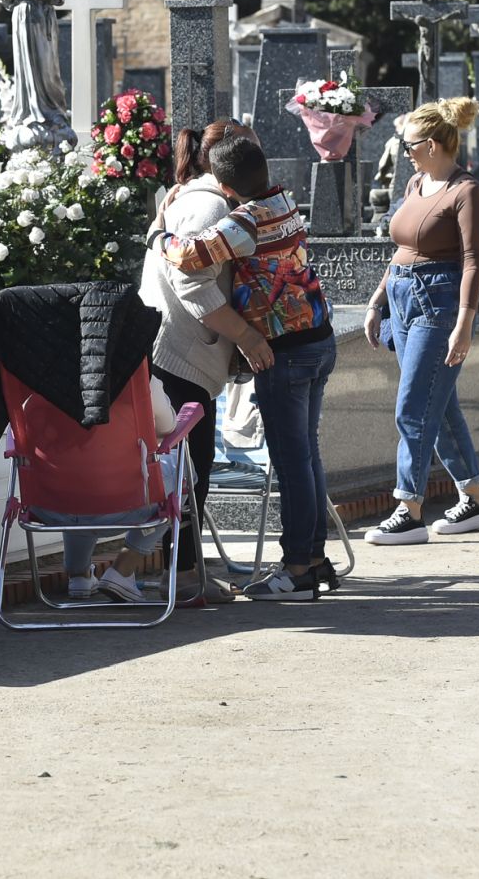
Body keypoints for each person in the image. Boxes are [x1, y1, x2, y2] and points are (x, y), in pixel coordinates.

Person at [151, 137, 336, 602]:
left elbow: (187, 257)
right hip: (319, 338)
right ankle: (315, 558)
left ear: (227, 188)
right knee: (307, 456)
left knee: (291, 464)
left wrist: (158, 230)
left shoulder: (244, 222)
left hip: (283, 352)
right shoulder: (285, 202)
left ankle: (296, 569)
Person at [362, 97, 479, 546]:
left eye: (411, 144)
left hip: (438, 304)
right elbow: (402, 249)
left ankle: (409, 508)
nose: (405, 152)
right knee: (439, 404)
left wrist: (464, 324)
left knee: (414, 407)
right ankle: (475, 501)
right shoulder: (417, 183)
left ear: (435, 145)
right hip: (401, 297)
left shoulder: (466, 191)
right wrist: (378, 299)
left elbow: (474, 262)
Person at [137, 121, 258, 603]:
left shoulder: (192, 197)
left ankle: (185, 568)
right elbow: (190, 282)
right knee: (189, 467)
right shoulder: (208, 204)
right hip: (181, 353)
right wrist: (243, 334)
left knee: (192, 465)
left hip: (186, 351)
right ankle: (184, 574)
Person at [46, 379, 187, 603]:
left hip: (50, 505)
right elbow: (167, 427)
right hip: (122, 504)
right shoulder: (137, 372)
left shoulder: (29, 371)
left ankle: (79, 575)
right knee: (184, 468)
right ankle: (123, 569)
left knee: (75, 480)